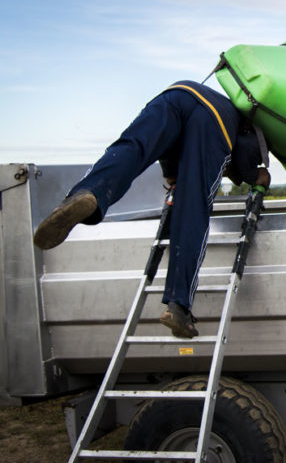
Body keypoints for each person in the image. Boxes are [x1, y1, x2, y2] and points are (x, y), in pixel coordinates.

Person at [33, 80, 270, 338]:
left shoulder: (215, 100)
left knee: (132, 148)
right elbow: (248, 168)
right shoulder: (243, 125)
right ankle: (178, 306)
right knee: (193, 206)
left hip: (174, 95)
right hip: (212, 122)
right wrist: (257, 176)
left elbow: (172, 179)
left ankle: (88, 193)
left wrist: (177, 181)